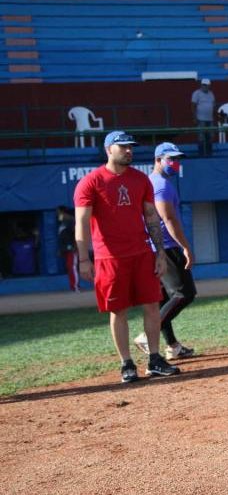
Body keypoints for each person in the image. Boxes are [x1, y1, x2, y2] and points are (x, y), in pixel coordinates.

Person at [74, 130, 180, 383]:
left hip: (142, 253)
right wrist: (84, 259)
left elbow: (151, 217)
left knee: (152, 305)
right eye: (123, 147)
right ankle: (126, 364)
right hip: (109, 258)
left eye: (131, 147)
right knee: (118, 310)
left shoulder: (140, 180)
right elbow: (82, 221)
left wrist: (160, 253)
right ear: (109, 149)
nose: (129, 151)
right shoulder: (91, 181)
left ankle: (154, 359)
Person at [133, 142, 196, 360]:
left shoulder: (151, 182)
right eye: (171, 159)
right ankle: (145, 334)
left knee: (162, 299)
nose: (175, 163)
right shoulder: (161, 185)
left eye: (177, 159)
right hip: (167, 247)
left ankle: (173, 346)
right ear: (158, 159)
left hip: (153, 248)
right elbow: (168, 219)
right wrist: (186, 247)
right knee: (184, 293)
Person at [57, 206, 80, 292]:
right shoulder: (62, 222)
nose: (57, 214)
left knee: (72, 267)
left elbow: (76, 231)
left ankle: (75, 286)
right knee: (69, 267)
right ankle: (73, 286)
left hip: (71, 248)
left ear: (62, 211)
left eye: (58, 212)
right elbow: (62, 237)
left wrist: (75, 244)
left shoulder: (69, 219)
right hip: (65, 248)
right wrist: (61, 249)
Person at [191, 78, 215, 156]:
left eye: (207, 85)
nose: (205, 86)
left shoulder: (211, 93)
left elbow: (213, 104)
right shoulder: (196, 93)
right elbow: (193, 105)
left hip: (210, 118)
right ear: (201, 85)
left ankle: (209, 153)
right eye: (204, 85)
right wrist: (195, 117)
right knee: (201, 137)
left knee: (210, 136)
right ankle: (201, 153)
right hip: (201, 118)